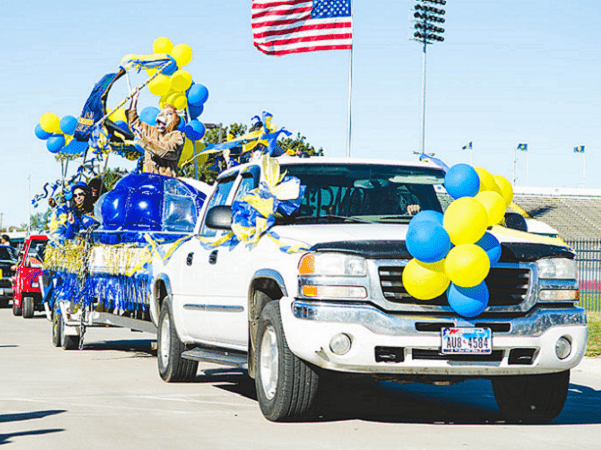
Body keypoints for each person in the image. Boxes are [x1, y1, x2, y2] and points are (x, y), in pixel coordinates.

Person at [126, 89, 184, 177]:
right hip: (151, 182)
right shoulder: (152, 131)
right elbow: (134, 123)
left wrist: (144, 140)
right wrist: (134, 101)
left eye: (168, 114)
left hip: (167, 184)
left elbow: (167, 151)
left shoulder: (177, 135)